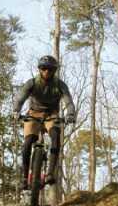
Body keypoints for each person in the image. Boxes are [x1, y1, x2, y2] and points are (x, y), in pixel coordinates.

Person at [13, 55, 75, 188]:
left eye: (50, 69)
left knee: (55, 137)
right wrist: (16, 111)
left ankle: (50, 173)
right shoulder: (32, 83)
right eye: (44, 68)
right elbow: (20, 97)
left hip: (51, 115)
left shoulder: (60, 85)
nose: (47, 71)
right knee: (28, 142)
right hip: (34, 114)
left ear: (54, 71)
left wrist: (70, 114)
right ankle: (24, 178)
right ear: (40, 69)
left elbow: (68, 101)